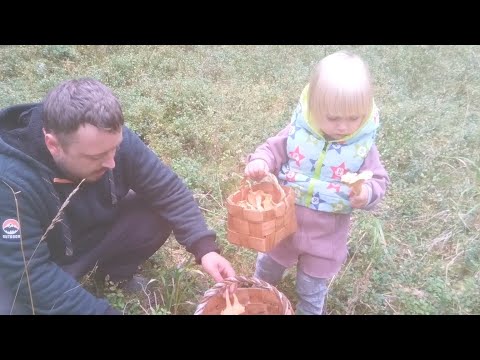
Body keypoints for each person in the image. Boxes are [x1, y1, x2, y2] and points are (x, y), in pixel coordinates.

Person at [0, 78, 235, 315]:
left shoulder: (109, 141)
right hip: (40, 261)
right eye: (96, 156)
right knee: (11, 306)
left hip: (91, 239)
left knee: (156, 212)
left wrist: (205, 248)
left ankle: (115, 276)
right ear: (54, 145)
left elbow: (167, 189)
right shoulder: (10, 182)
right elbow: (31, 274)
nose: (112, 162)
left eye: (115, 148)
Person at [244, 50, 390, 315]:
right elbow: (273, 149)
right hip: (283, 224)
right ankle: (259, 295)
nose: (344, 127)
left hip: (326, 235)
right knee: (267, 267)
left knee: (311, 288)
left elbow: (379, 179)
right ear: (313, 106)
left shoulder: (362, 148)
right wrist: (261, 162)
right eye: (334, 118)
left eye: (354, 118)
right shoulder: (299, 132)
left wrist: (366, 192)